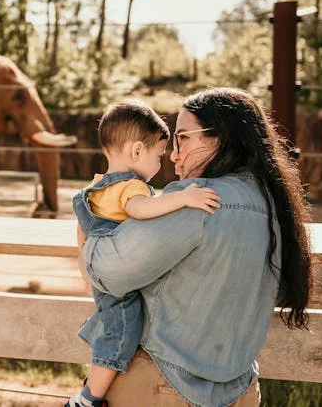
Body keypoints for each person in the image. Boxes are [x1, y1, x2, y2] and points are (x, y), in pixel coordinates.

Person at [78, 88, 315, 407]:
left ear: (218, 138)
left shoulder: (198, 200)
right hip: (240, 391)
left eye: (183, 138)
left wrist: (87, 225)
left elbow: (108, 272)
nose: (174, 154)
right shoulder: (274, 206)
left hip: (164, 389)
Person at [67, 99, 222, 407]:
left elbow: (82, 230)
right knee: (120, 336)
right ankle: (88, 399)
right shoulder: (131, 188)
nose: (163, 162)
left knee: (112, 327)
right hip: (121, 286)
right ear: (137, 151)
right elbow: (141, 210)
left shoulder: (96, 189)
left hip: (104, 278)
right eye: (159, 154)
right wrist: (184, 199)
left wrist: (85, 271)